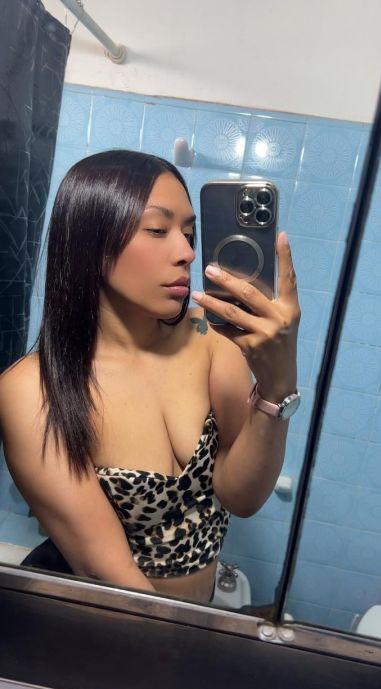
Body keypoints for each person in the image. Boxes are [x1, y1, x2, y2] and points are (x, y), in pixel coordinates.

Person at [0, 150, 300, 604]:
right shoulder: (33, 389)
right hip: (105, 624)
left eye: (189, 234)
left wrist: (277, 384)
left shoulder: (210, 340)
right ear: (90, 242)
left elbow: (242, 497)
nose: (186, 253)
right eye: (158, 230)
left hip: (189, 619)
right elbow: (105, 570)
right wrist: (186, 641)